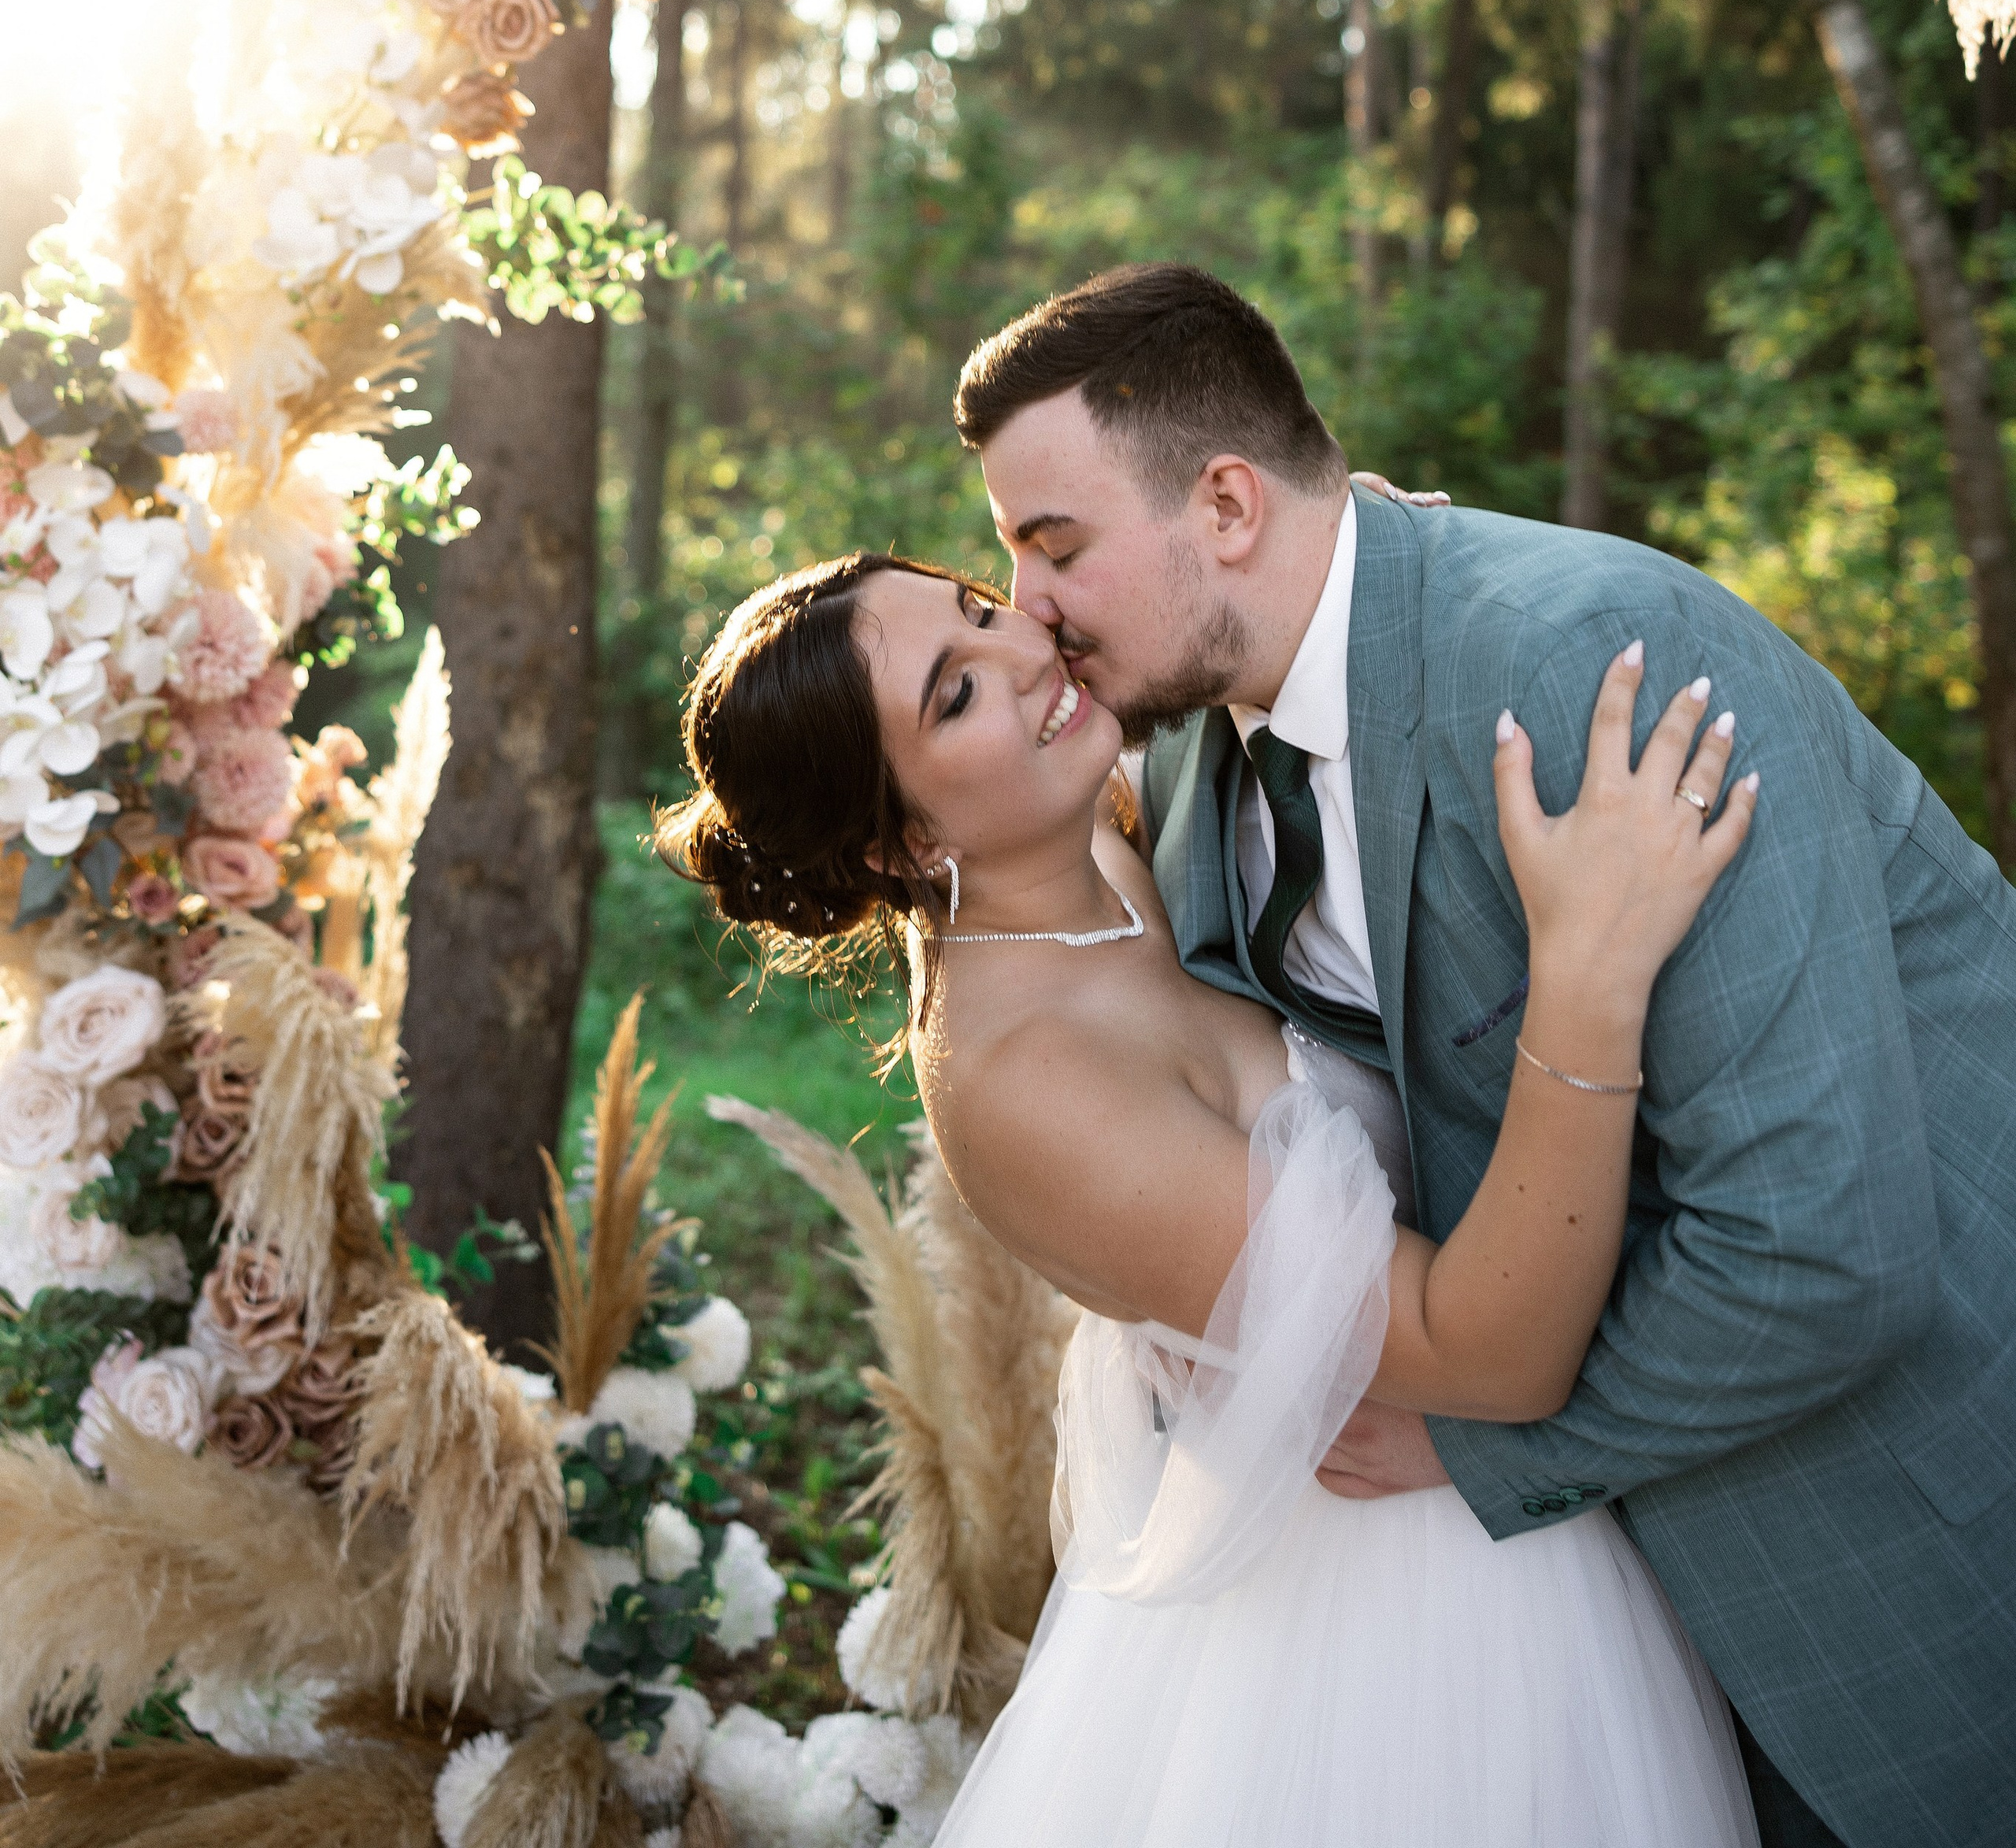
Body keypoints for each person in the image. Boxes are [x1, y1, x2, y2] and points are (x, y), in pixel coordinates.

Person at [952, 262, 2016, 1848]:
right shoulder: (1185, 750)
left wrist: (1483, 1440)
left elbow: (1821, 1247)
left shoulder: (1591, 664)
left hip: (1873, 1533)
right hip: (1578, 1633)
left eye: (1053, 551)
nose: (1031, 617)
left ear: (1228, 505)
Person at [667, 550, 1761, 1845]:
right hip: (1397, 1607)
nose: (1024, 655)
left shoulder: (1088, 843)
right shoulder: (1032, 1084)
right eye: (956, 695)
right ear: (904, 839)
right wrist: (1590, 966)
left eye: (978, 606)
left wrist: (1353, 540)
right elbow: (1496, 1359)